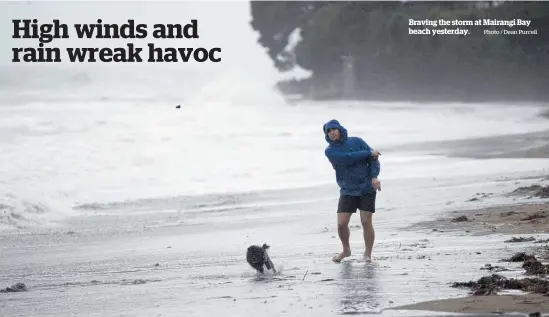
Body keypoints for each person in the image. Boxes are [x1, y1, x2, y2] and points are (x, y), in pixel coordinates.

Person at [322, 119, 381, 263]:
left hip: (367, 187)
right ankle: (346, 250)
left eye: (333, 129)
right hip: (347, 189)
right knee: (341, 224)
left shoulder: (357, 141)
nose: (332, 133)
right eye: (328, 131)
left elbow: (373, 159)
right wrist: (368, 152)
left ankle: (367, 254)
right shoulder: (330, 151)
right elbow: (347, 158)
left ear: (339, 129)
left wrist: (374, 176)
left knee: (366, 221)